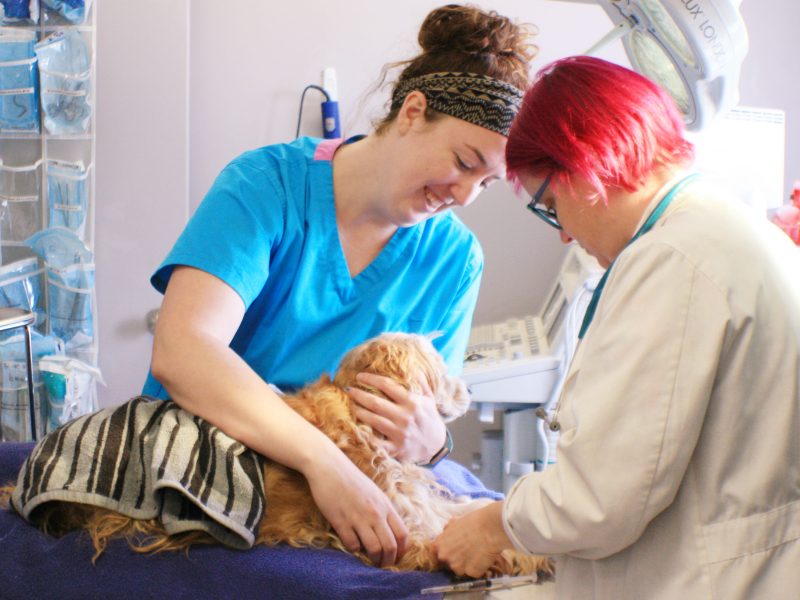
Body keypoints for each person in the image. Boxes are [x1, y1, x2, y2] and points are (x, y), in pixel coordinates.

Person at [143, 4, 537, 568]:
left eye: (488, 183)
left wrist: (430, 443)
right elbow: (183, 350)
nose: (466, 195)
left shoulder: (454, 259)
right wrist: (321, 463)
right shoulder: (266, 187)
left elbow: (427, 427)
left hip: (353, 490)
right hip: (211, 471)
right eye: (463, 161)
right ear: (412, 111)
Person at [433, 55, 800, 598]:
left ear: (584, 165)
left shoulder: (674, 257)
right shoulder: (723, 230)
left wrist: (495, 524)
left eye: (551, 205)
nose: (561, 235)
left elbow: (601, 498)